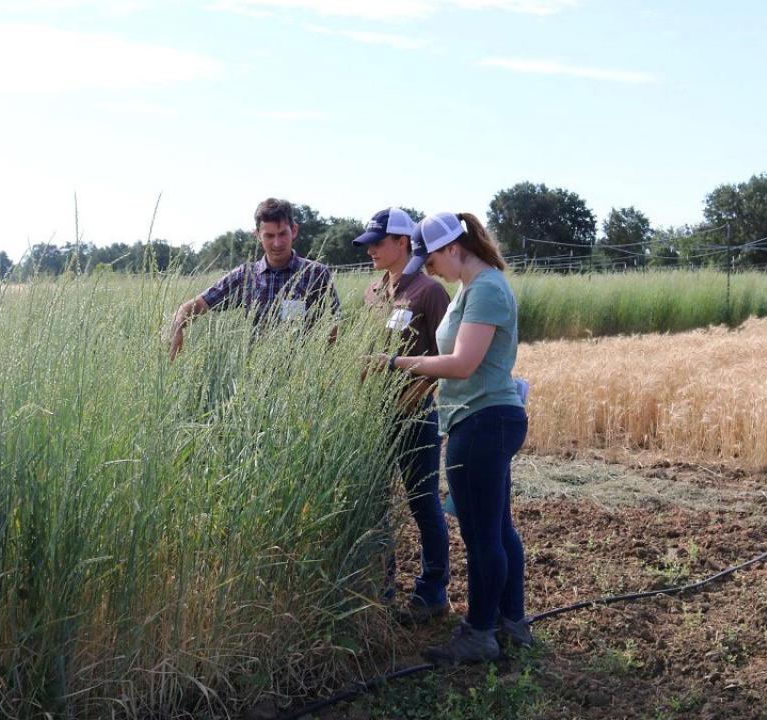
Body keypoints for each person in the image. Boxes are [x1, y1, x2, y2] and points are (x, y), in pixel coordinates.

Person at [382, 211, 530, 664]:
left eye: (431, 261)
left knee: (482, 535)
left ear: (452, 249)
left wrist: (393, 364)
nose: (428, 271)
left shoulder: (485, 288)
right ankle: (512, 621)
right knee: (498, 528)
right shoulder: (475, 287)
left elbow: (463, 363)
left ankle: (480, 633)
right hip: (480, 418)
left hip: (483, 420)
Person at [354, 207, 451, 624]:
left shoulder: (430, 292)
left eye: (379, 242)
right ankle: (383, 588)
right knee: (376, 503)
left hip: (415, 416)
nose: (371, 249)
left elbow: (447, 357)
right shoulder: (373, 292)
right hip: (375, 414)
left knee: (422, 502)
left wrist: (418, 392)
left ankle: (432, 593)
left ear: (403, 242)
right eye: (369, 243)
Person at [169, 198, 341, 360]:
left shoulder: (316, 274)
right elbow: (198, 305)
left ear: (294, 230)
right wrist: (177, 324)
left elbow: (335, 322)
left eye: (282, 234)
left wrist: (325, 364)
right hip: (255, 383)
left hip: (303, 380)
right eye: (269, 236)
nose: (277, 243)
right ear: (257, 235)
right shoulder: (245, 277)